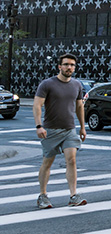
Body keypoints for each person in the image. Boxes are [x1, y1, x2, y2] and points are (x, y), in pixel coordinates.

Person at [34, 53, 87, 209]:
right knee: (47, 162)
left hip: (69, 129)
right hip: (50, 130)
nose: (69, 67)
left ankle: (73, 195)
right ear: (59, 66)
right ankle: (42, 195)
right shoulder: (47, 84)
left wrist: (82, 127)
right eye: (66, 64)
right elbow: (37, 105)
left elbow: (79, 107)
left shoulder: (77, 85)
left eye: (72, 65)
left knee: (72, 160)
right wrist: (39, 126)